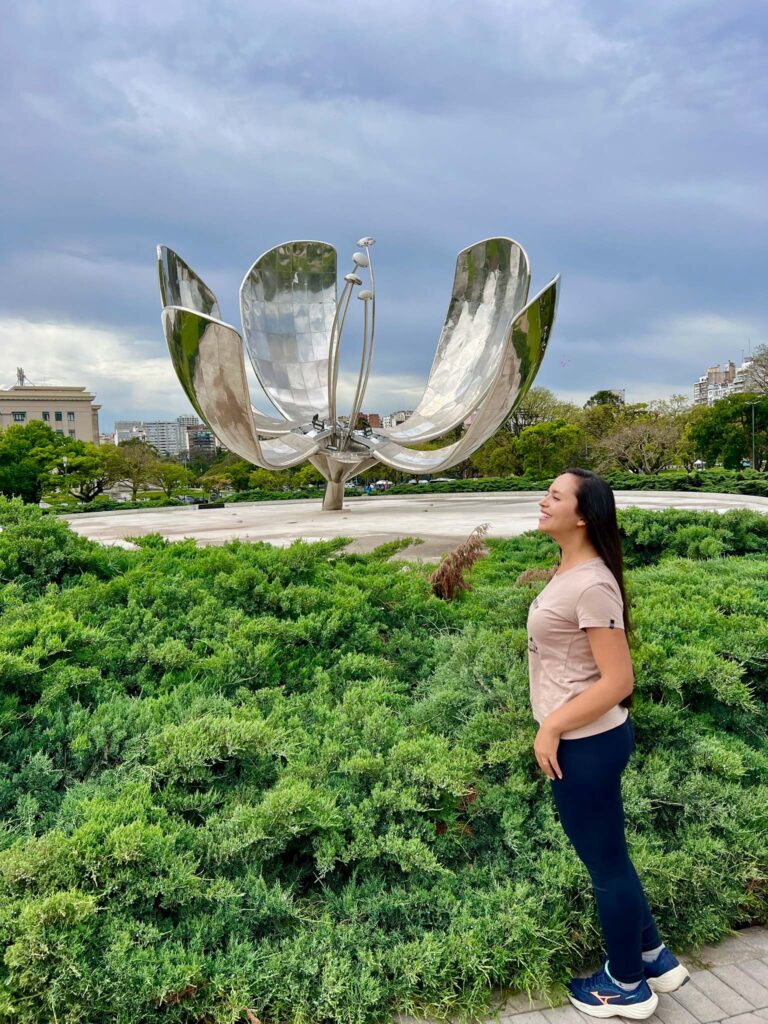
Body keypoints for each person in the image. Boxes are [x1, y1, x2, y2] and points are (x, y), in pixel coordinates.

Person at [527, 468, 691, 1019]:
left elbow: (619, 680)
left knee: (606, 867)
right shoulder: (572, 570)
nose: (543, 501)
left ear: (581, 516)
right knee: (612, 858)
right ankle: (654, 957)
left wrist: (551, 726)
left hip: (585, 745)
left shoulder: (592, 582)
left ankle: (626, 986)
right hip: (590, 740)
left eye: (554, 496)